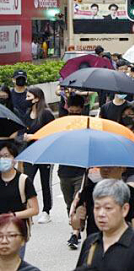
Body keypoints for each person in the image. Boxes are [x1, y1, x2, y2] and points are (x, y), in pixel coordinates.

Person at [75, 179, 134, 271]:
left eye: (108, 208)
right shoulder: (90, 242)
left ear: (124, 209)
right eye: (97, 207)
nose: (101, 214)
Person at [71, 166, 134, 237]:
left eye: (111, 166)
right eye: (102, 166)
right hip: (95, 245)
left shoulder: (131, 194)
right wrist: (77, 216)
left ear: (122, 168)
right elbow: (76, 226)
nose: (105, 169)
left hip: (122, 245)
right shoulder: (89, 191)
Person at [58, 96, 88, 249]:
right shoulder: (62, 124)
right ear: (67, 108)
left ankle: (74, 233)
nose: (74, 113)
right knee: (69, 203)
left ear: (82, 110)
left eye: (77, 111)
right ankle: (77, 227)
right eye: (71, 111)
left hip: (81, 172)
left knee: (76, 203)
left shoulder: (87, 124)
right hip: (64, 171)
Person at [21, 87, 54, 225]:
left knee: (45, 183)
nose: (26, 99)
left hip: (45, 153)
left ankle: (46, 211)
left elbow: (52, 132)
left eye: (29, 96)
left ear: (37, 98)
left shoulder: (46, 114)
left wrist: (34, 136)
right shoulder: (27, 113)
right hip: (30, 153)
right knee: (27, 181)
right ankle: (28, 210)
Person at [0, 142, 39, 259]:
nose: (2, 159)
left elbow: (34, 209)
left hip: (17, 231)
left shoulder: (23, 180)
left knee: (14, 264)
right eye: (0, 156)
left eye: (6, 156)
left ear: (15, 159)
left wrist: (12, 216)